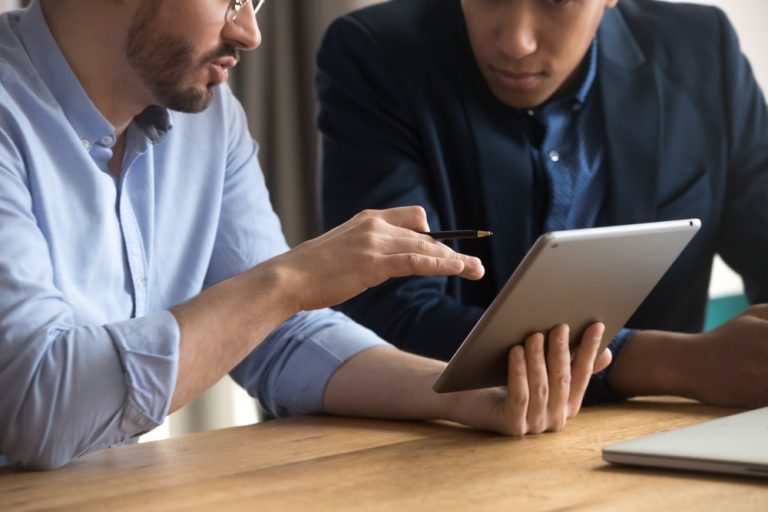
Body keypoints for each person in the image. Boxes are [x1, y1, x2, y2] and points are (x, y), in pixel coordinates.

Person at [0, 0, 615, 470]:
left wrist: (453, 395)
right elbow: (37, 408)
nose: (249, 33)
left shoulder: (208, 120)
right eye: (231, 0)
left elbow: (278, 336)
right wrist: (290, 280)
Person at [318, 0, 768, 407]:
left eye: (555, 1)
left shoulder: (702, 49)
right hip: (444, 443)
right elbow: (389, 313)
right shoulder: (378, 55)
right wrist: (676, 364)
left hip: (663, 435)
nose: (516, 42)